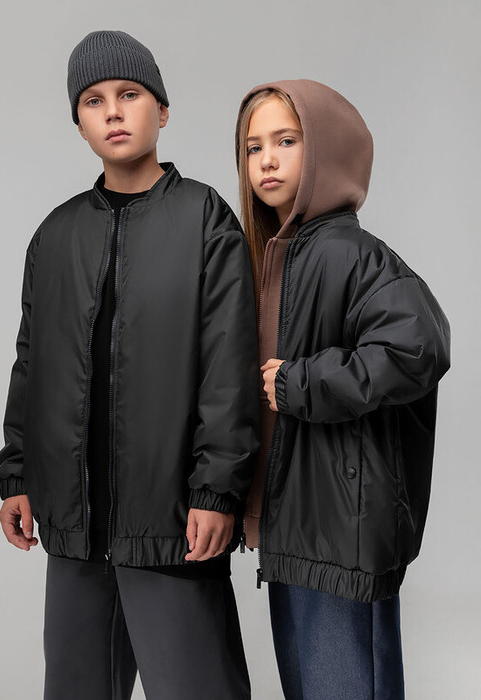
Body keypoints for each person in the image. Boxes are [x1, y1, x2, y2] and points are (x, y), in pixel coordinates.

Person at [0, 30, 258, 700]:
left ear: (161, 110)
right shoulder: (55, 236)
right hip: (76, 531)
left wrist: (216, 491)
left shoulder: (206, 221)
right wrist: (17, 473)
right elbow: (32, 364)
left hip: (172, 523)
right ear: (79, 123)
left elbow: (228, 368)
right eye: (93, 100)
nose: (112, 111)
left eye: (129, 94)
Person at [235, 79, 450, 699]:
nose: (267, 160)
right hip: (293, 527)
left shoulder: (350, 254)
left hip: (338, 530)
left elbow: (419, 347)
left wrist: (302, 382)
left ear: (326, 148)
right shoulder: (270, 257)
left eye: (286, 140)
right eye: (253, 147)